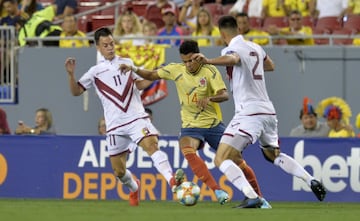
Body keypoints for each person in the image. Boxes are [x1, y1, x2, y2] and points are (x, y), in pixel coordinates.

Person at [191, 15, 326, 208]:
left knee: (221, 158)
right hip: (268, 111)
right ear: (238, 29)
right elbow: (270, 65)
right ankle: (310, 179)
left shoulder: (231, 48)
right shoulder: (255, 47)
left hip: (249, 112)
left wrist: (209, 61)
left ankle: (252, 196)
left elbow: (233, 58)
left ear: (222, 34)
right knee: (273, 155)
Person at [119, 40, 271, 208]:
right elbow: (151, 75)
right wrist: (134, 69)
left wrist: (210, 98)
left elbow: (224, 95)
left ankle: (259, 197)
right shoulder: (176, 70)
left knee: (237, 160)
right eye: (185, 61)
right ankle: (217, 190)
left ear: (198, 56)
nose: (189, 64)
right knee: (186, 147)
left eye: (192, 60)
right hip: (190, 126)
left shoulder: (210, 71)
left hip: (214, 125)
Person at [64, 27, 183, 206]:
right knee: (119, 171)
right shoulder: (95, 72)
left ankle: (171, 180)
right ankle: (135, 187)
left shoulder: (127, 63)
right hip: (114, 126)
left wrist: (156, 75)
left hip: (136, 118)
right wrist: (71, 75)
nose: (110, 48)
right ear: (98, 47)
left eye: (112, 43)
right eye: (105, 45)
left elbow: (141, 84)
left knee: (151, 145)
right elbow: (75, 92)